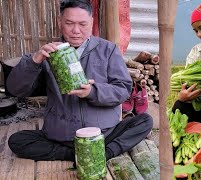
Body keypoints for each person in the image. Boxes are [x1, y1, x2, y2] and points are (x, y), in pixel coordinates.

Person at [6, 0, 153, 164]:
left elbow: (122, 90)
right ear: (59, 22)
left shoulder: (108, 50)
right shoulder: (49, 53)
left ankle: (104, 153)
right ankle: (76, 154)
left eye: (82, 24)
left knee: (145, 121)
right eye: (69, 23)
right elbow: (15, 89)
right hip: (61, 136)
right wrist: (34, 61)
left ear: (91, 22)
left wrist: (92, 91)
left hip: (103, 134)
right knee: (17, 140)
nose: (76, 31)